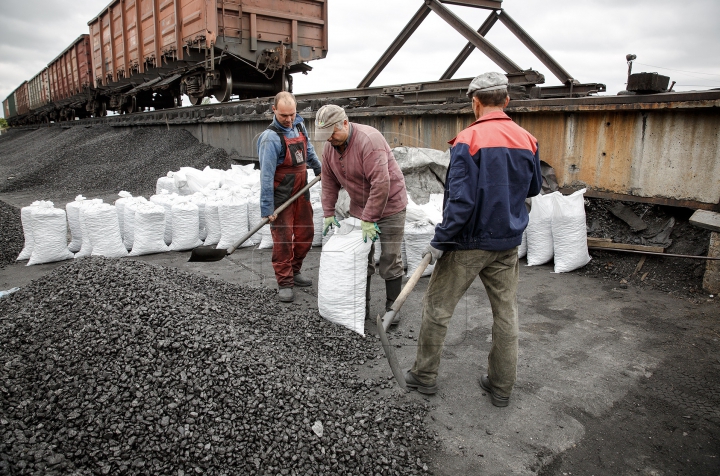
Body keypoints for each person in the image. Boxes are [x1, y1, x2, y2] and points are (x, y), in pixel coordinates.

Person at [405, 72, 542, 407]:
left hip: (468, 243)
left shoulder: (469, 140)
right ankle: (501, 387)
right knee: (506, 314)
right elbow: (534, 188)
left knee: (438, 308)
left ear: (475, 102)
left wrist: (441, 240)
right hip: (507, 243)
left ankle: (424, 377)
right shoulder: (528, 139)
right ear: (506, 101)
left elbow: (461, 201)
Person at [315, 105, 408, 324]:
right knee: (360, 257)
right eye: (325, 135)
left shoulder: (369, 141)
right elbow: (328, 182)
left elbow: (381, 183)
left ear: (345, 124)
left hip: (390, 205)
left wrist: (370, 218)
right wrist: (328, 212)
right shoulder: (330, 148)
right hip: (359, 205)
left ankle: (392, 307)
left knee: (389, 257)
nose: (329, 139)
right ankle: (360, 306)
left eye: (332, 133)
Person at [257, 92, 322, 303]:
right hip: (281, 195)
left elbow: (309, 152)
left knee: (306, 234)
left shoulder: (299, 126)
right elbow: (266, 176)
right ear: (274, 110)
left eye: (292, 114)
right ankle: (284, 281)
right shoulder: (270, 138)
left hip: (301, 190)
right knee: (283, 240)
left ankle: (295, 270)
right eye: (284, 115)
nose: (289, 119)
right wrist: (267, 208)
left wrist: (319, 170)